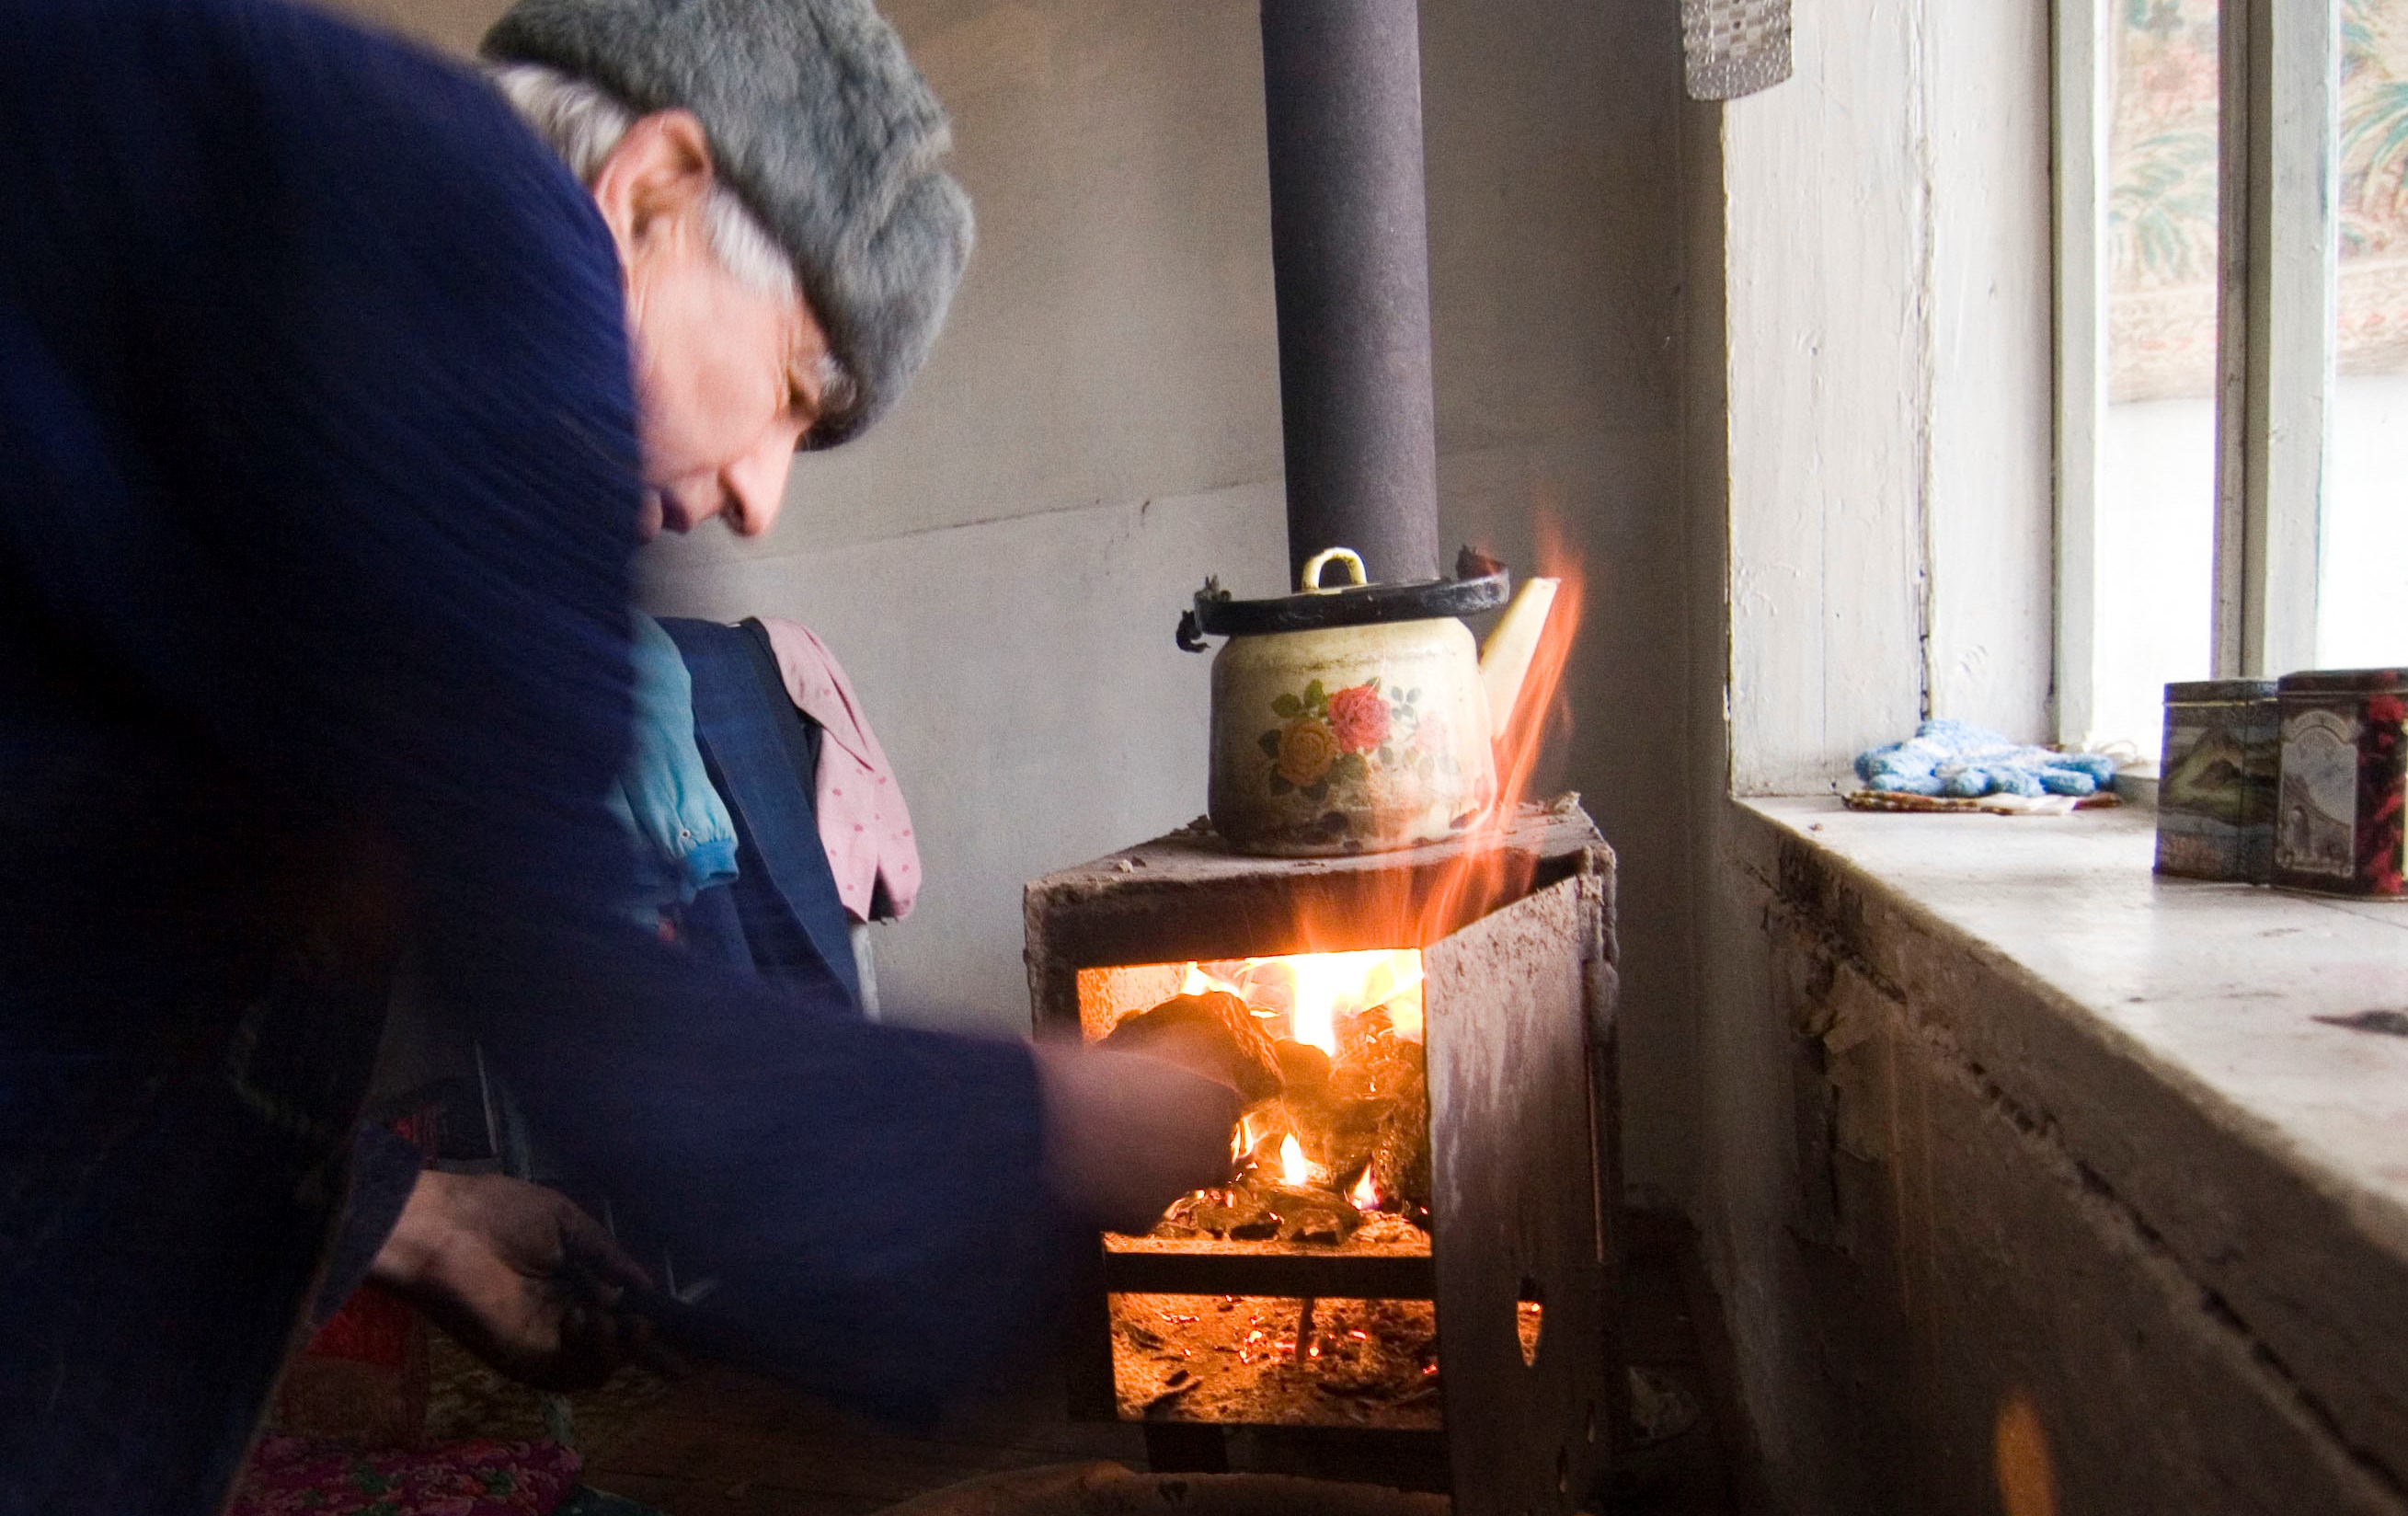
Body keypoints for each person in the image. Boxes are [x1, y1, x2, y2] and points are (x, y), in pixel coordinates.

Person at [0, 2, 1246, 1511]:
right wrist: (1068, 1120)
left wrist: (418, 1214)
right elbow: (599, 1023)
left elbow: (101, 922)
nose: (758, 497)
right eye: (793, 387)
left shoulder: (283, 236)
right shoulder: (479, 238)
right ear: (651, 191)